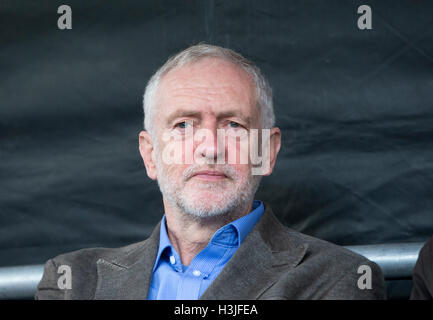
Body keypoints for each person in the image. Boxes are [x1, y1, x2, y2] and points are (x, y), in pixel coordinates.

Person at [35, 44, 386, 300]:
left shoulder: (339, 279)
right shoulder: (73, 282)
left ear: (267, 150)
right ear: (150, 155)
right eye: (184, 124)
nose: (210, 147)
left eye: (233, 125)